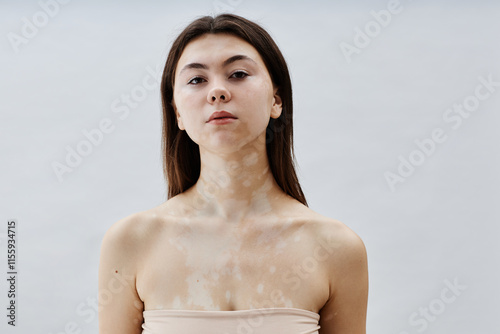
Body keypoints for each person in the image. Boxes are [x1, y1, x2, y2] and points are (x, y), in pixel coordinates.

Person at [98, 13, 368, 334]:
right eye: (197, 80)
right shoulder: (132, 242)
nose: (217, 92)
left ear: (276, 101)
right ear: (178, 114)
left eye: (238, 74)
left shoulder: (335, 248)